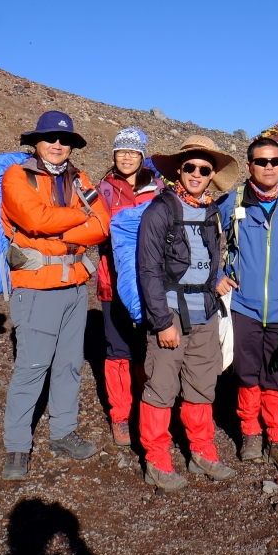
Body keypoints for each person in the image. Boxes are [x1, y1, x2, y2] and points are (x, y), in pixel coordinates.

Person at [0, 111, 111, 481]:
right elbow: (34, 220)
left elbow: (102, 224)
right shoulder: (17, 176)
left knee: (68, 365)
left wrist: (62, 233)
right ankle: (17, 446)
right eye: (50, 138)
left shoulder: (79, 178)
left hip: (75, 286)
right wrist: (77, 217)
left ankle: (63, 433)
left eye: (65, 140)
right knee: (31, 367)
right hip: (35, 287)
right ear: (36, 141)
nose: (58, 145)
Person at [137, 135, 240, 492]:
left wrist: (217, 279)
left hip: (205, 313)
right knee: (161, 387)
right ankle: (157, 460)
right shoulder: (160, 210)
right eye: (190, 167)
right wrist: (162, 322)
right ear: (178, 170)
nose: (197, 174)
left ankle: (202, 452)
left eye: (204, 169)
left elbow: (208, 260)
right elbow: (147, 270)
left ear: (212, 175)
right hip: (171, 314)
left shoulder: (211, 212)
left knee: (202, 385)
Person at [217, 136, 278, 475]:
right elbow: (205, 238)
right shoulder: (232, 201)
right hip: (244, 304)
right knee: (246, 373)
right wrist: (218, 273)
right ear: (249, 166)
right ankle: (250, 434)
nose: (268, 167)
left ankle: (277, 439)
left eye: (274, 161)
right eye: (261, 162)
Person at [96, 127, 160, 447]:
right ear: (114, 155)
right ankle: (121, 415)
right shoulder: (104, 189)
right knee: (118, 348)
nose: (127, 156)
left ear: (142, 155)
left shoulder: (157, 187)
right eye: (121, 151)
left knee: (148, 348)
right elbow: (94, 229)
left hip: (151, 282)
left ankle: (147, 407)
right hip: (113, 281)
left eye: (133, 152)